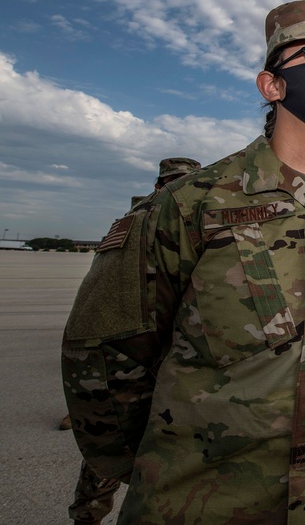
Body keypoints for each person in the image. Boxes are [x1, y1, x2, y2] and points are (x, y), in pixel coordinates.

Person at [62, 0, 305, 523]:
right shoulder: (192, 203)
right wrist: (166, 463)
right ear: (271, 85)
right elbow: (105, 355)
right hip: (208, 501)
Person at [61, 156, 202, 525]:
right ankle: (91, 514)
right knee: (125, 446)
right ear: (161, 185)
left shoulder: (160, 218)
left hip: (152, 355)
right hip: (139, 352)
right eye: (173, 182)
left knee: (136, 449)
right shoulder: (149, 221)